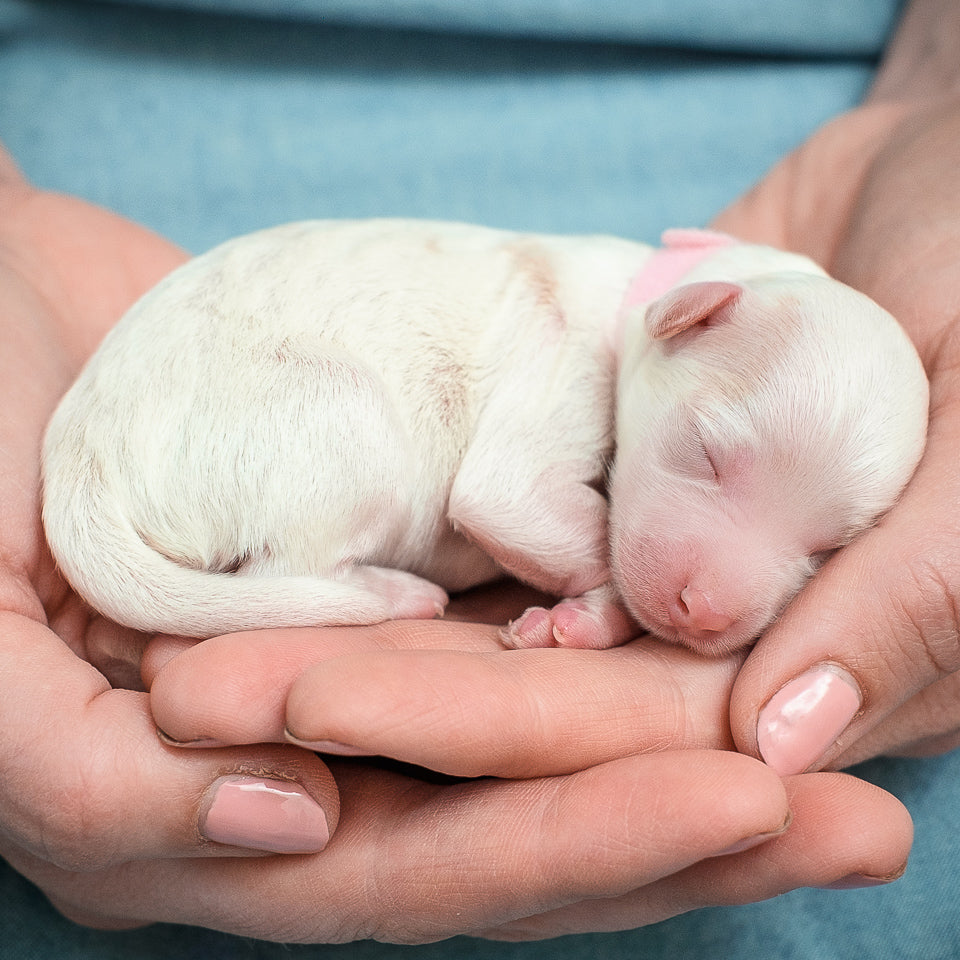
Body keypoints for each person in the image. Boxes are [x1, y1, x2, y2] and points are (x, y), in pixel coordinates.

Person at [1, 0, 957, 955]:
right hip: (222, 404)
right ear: (687, 320)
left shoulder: (674, 343)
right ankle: (295, 570)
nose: (720, 596)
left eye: (821, 548)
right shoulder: (576, 334)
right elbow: (498, 494)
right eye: (708, 461)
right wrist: (609, 585)